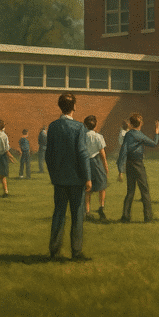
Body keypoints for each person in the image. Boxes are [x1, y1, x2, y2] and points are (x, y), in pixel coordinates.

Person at [46, 93, 92, 261]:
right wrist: (88, 177)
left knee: (58, 213)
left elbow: (48, 155)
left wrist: (54, 174)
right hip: (77, 179)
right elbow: (82, 153)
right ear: (74, 107)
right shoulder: (79, 127)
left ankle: (54, 250)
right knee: (77, 216)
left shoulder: (52, 126)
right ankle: (76, 252)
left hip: (59, 179)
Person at [117, 112, 159, 223]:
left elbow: (123, 151)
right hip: (138, 164)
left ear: (130, 124)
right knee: (144, 190)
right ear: (140, 124)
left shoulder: (128, 135)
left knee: (130, 191)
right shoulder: (140, 135)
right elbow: (154, 143)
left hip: (129, 164)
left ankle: (125, 217)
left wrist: (120, 170)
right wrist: (157, 132)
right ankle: (148, 217)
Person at [83, 115, 108, 220]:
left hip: (85, 163)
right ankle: (101, 207)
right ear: (95, 125)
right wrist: (106, 166)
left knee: (87, 188)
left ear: (85, 125)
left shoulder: (82, 136)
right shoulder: (98, 137)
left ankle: (87, 211)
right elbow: (102, 153)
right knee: (102, 185)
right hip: (96, 163)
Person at [0, 120, 12, 197]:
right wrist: (10, 156)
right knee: (3, 175)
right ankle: (6, 192)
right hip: (2, 156)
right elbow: (6, 149)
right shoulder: (4, 135)